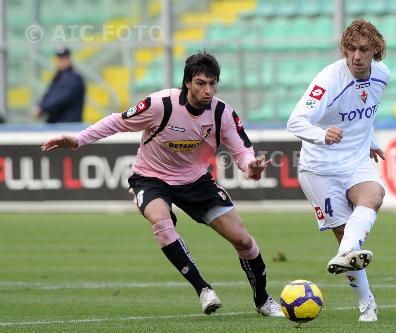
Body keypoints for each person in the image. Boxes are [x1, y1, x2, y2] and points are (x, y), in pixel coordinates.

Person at [41, 51, 284, 317]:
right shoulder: (160, 105)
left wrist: (251, 165)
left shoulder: (222, 113)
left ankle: (262, 300)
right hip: (150, 177)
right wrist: (78, 140)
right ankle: (203, 289)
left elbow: (242, 151)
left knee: (243, 240)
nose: (208, 90)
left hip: (195, 181)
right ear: (188, 83)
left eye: (212, 84)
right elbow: (117, 121)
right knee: (160, 220)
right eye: (201, 83)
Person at [287, 18, 389, 322]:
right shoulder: (329, 80)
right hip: (320, 168)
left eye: (363, 50)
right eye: (351, 49)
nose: (356, 56)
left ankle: (346, 254)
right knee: (345, 233)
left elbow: (364, 113)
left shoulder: (382, 75)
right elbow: (295, 121)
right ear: (344, 49)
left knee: (374, 195)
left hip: (356, 161)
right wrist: (323, 135)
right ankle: (366, 303)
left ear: (376, 52)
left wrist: (369, 139)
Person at [35, 47, 85, 123]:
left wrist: (43, 108)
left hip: (69, 123)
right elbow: (48, 94)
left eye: (64, 59)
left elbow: (63, 97)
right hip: (56, 122)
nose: (62, 61)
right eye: (59, 59)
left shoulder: (75, 78)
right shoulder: (57, 76)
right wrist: (40, 106)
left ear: (69, 59)